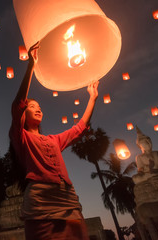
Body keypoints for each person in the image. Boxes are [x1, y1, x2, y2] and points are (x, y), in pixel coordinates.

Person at [9, 41, 99, 240]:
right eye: (33, 106)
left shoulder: (53, 140)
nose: (39, 108)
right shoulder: (20, 137)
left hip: (67, 198)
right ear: (24, 112)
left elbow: (79, 129)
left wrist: (92, 98)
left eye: (40, 106)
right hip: (40, 200)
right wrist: (31, 65)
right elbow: (17, 104)